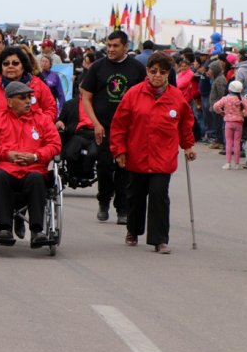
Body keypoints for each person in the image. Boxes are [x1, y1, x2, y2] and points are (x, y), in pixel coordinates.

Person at [111, 51, 196, 254]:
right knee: (135, 195)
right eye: (153, 71)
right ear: (147, 71)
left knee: (159, 195)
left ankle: (159, 239)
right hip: (137, 154)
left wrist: (188, 146)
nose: (157, 75)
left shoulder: (177, 97)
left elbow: (186, 124)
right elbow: (119, 125)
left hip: (163, 157)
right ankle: (133, 229)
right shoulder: (133, 94)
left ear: (168, 74)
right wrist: (119, 150)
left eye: (163, 72)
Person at [0, 81, 62, 245]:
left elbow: (55, 145)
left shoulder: (42, 120)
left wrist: (35, 156)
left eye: (29, 97)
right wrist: (7, 155)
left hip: (33, 170)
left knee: (37, 178)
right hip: (5, 169)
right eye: (22, 98)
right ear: (9, 101)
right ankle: (4, 228)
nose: (28, 101)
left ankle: (37, 230)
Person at [80, 30, 146, 224]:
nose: (111, 49)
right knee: (105, 167)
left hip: (129, 129)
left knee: (124, 168)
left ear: (126, 47)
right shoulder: (97, 67)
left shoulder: (137, 68)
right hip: (104, 127)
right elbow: (86, 97)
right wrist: (96, 123)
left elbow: (144, 96)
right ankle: (103, 201)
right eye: (108, 45)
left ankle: (122, 208)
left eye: (115, 46)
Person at [0, 47, 57, 133]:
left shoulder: (38, 85)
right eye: (5, 63)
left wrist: (39, 125)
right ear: (1, 67)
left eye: (15, 63)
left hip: (33, 138)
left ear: (23, 66)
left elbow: (50, 109)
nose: (10, 66)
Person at [56, 95, 96, 185]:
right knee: (70, 153)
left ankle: (86, 174)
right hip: (77, 134)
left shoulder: (99, 103)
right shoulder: (69, 104)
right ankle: (73, 174)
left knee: (93, 153)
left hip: (95, 134)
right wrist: (59, 122)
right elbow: (60, 120)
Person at [213, 80, 247, 169]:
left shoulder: (225, 98)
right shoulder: (242, 99)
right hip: (239, 123)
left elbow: (216, 106)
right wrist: (243, 115)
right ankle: (237, 164)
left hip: (228, 123)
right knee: (237, 142)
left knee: (229, 142)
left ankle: (228, 163)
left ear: (230, 89)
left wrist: (221, 112)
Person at [208, 60, 227, 149]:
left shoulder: (220, 79)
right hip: (214, 106)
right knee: (216, 124)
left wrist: (220, 105)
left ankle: (220, 141)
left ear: (215, 70)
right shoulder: (216, 78)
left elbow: (222, 94)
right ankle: (218, 140)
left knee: (219, 124)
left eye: (210, 69)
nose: (209, 71)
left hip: (218, 107)